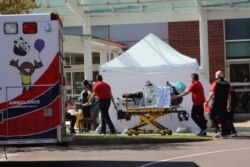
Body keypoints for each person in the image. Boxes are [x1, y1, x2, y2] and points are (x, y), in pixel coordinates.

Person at [205, 71, 231, 138]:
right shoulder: (227, 83)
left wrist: (207, 101)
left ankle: (217, 130)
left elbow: (212, 93)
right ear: (222, 75)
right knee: (223, 118)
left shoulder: (215, 82)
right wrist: (229, 104)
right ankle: (224, 133)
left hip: (216, 103)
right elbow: (229, 95)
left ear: (217, 76)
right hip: (224, 103)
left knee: (211, 116)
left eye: (215, 75)